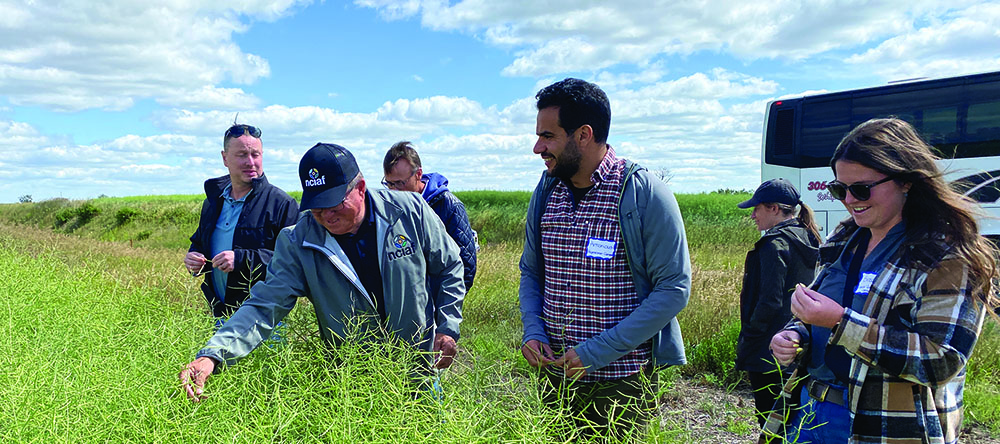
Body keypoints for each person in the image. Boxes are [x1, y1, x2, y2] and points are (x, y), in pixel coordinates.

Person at [761, 118, 999, 443]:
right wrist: (795, 333)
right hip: (809, 409)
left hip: (888, 426)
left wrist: (840, 322)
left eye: (861, 188)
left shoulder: (947, 254)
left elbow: (942, 359)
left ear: (906, 182)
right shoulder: (845, 238)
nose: (848, 200)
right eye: (839, 189)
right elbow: (819, 312)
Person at [179, 142, 465, 402]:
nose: (327, 216)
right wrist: (213, 355)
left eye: (335, 203)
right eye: (316, 207)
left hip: (418, 366)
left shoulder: (409, 211)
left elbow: (450, 266)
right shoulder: (298, 241)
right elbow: (264, 306)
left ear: (361, 188)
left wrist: (447, 326)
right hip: (353, 380)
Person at [518, 78, 691, 437]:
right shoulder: (547, 190)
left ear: (583, 135)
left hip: (619, 385)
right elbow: (531, 272)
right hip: (555, 377)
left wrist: (597, 352)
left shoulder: (643, 194)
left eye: (548, 136)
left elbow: (674, 289)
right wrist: (533, 330)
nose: (538, 147)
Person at [184, 123, 298, 318]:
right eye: (242, 155)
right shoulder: (213, 202)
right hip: (220, 313)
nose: (250, 162)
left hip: (266, 316)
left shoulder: (281, 203)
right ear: (225, 158)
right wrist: (194, 257)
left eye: (256, 154)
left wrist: (241, 259)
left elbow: (294, 261)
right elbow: (200, 242)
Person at [734, 178, 820, 428]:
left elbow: (769, 301)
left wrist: (750, 335)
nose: (752, 215)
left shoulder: (774, 244)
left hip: (769, 348)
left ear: (773, 208)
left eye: (756, 208)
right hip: (800, 343)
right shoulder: (808, 237)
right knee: (795, 419)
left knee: (771, 422)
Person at [382, 141, 477, 291]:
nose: (394, 190)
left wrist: (444, 306)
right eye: (389, 184)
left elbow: (466, 266)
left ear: (418, 174)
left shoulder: (448, 206)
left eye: (400, 183)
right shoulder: (387, 208)